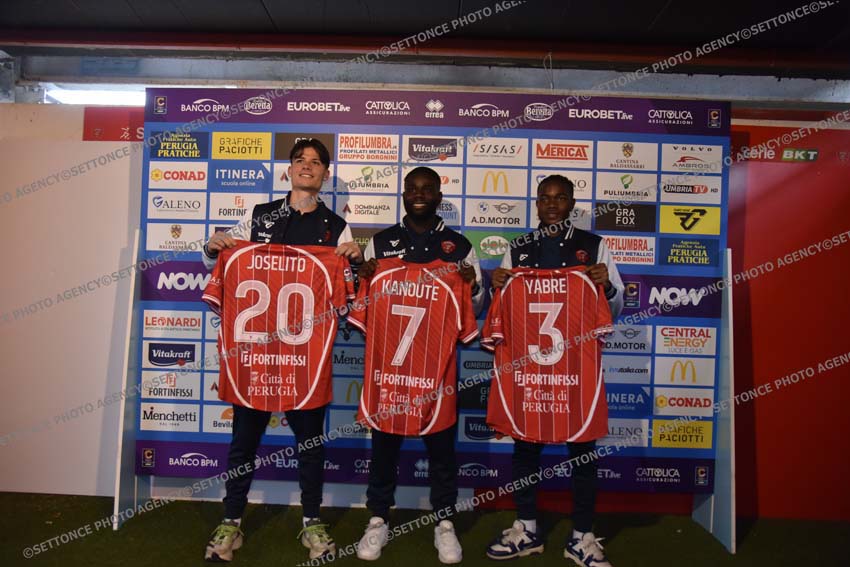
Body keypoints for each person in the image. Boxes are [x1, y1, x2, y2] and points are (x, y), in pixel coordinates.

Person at [201, 138, 363, 562]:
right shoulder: (259, 216)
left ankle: (312, 521)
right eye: (300, 160)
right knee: (243, 442)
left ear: (325, 174)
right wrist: (213, 247)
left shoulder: (336, 227)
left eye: (316, 162)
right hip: (255, 356)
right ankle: (231, 520)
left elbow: (350, 295)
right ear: (289, 170)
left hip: (304, 359)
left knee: (310, 443)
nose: (307, 167)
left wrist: (354, 262)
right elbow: (220, 261)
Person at [485, 174, 624, 567]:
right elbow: (502, 310)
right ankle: (527, 528)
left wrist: (606, 287)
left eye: (560, 197)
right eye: (544, 197)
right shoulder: (518, 248)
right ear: (536, 202)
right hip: (529, 371)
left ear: (571, 204)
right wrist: (498, 284)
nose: (551, 204)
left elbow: (614, 310)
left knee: (583, 452)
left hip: (575, 371)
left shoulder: (594, 246)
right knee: (525, 448)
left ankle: (582, 536)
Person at [353, 166, 484, 563]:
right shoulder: (381, 244)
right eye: (413, 188)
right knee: (383, 449)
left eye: (428, 189)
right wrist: (363, 278)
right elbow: (361, 305)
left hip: (435, 374)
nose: (420, 194)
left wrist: (472, 286)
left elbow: (475, 308)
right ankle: (378, 518)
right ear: (404, 194)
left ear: (439, 195)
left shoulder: (459, 247)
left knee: (442, 452)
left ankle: (444, 522)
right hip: (390, 373)